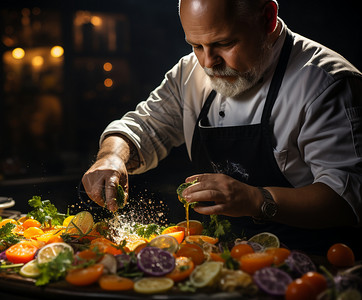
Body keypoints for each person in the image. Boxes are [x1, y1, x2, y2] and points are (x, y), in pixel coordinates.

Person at [81, 0, 362, 257]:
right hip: (222, 261)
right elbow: (143, 126)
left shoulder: (325, 83)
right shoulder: (190, 72)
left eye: (224, 43)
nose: (207, 62)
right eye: (196, 45)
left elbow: (346, 198)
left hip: (313, 264)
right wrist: (112, 156)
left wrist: (255, 199)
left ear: (268, 18)